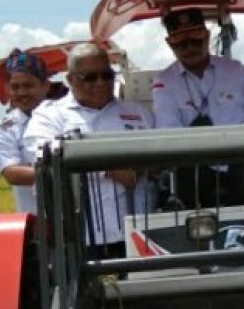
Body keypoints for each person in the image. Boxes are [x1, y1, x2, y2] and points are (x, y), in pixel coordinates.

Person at [25, 43, 153, 259]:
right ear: (70, 80)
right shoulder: (50, 116)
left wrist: (139, 169)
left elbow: (157, 153)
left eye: (107, 75)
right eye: (90, 77)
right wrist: (110, 171)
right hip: (79, 233)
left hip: (138, 229)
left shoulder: (136, 112)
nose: (101, 83)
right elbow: (46, 157)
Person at [152, 8, 244, 207]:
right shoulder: (164, 82)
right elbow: (167, 132)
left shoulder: (235, 71)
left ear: (206, 35)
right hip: (194, 168)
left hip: (241, 164)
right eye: (180, 43)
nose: (189, 47)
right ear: (169, 44)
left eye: (195, 39)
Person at [0, 49, 52, 214]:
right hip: (34, 221)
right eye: (15, 87)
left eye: (28, 86)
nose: (22, 93)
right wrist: (64, 171)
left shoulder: (64, 116)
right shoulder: (4, 128)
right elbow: (12, 173)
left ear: (45, 86)